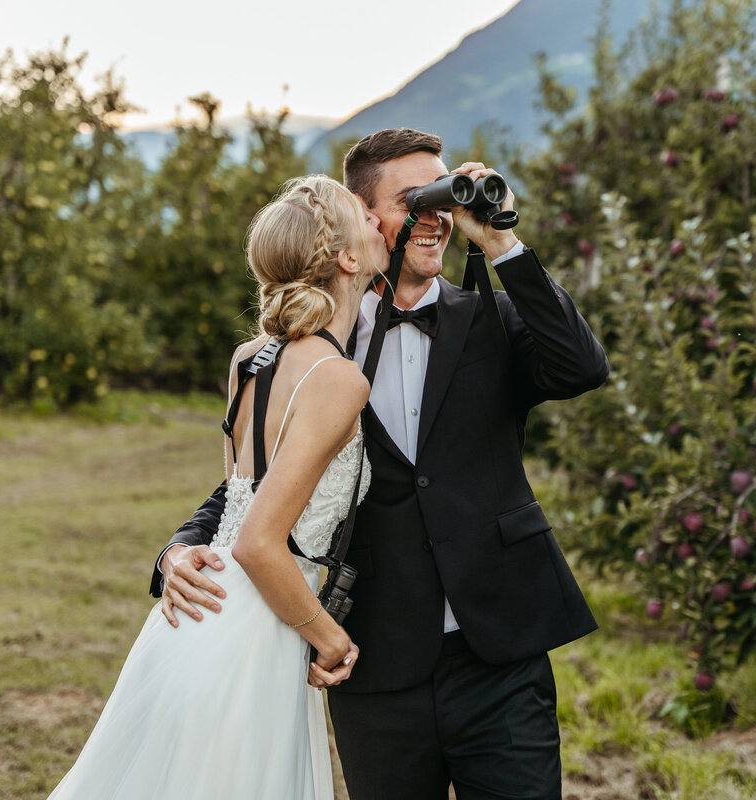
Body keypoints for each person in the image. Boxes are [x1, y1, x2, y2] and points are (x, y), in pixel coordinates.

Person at [155, 128, 609, 800]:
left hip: (500, 656)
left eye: (442, 194)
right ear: (366, 220)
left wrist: (503, 241)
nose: (435, 216)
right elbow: (257, 481)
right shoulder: (313, 353)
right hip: (373, 663)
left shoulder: (491, 318)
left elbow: (582, 366)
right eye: (412, 200)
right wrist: (180, 548)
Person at [48, 174, 387, 800]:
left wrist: (179, 550)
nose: (376, 223)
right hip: (259, 629)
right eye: (363, 217)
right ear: (346, 258)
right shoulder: (338, 379)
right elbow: (261, 541)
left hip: (199, 612)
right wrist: (329, 636)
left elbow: (237, 495)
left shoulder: (249, 358)